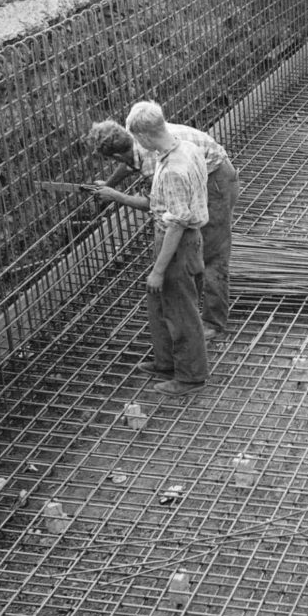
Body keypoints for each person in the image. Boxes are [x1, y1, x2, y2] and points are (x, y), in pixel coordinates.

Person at [88, 109, 240, 348]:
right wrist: (108, 185)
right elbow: (130, 164)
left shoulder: (154, 158)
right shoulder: (134, 136)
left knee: (214, 255)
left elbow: (157, 204)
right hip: (202, 175)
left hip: (216, 180)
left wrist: (116, 196)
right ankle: (195, 309)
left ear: (117, 154)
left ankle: (214, 322)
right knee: (199, 253)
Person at [105, 101, 210, 396]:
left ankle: (190, 376)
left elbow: (176, 225)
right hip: (176, 239)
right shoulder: (183, 147)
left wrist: (158, 270)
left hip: (178, 244)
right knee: (162, 304)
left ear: (145, 136)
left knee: (182, 311)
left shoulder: (175, 169)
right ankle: (166, 362)